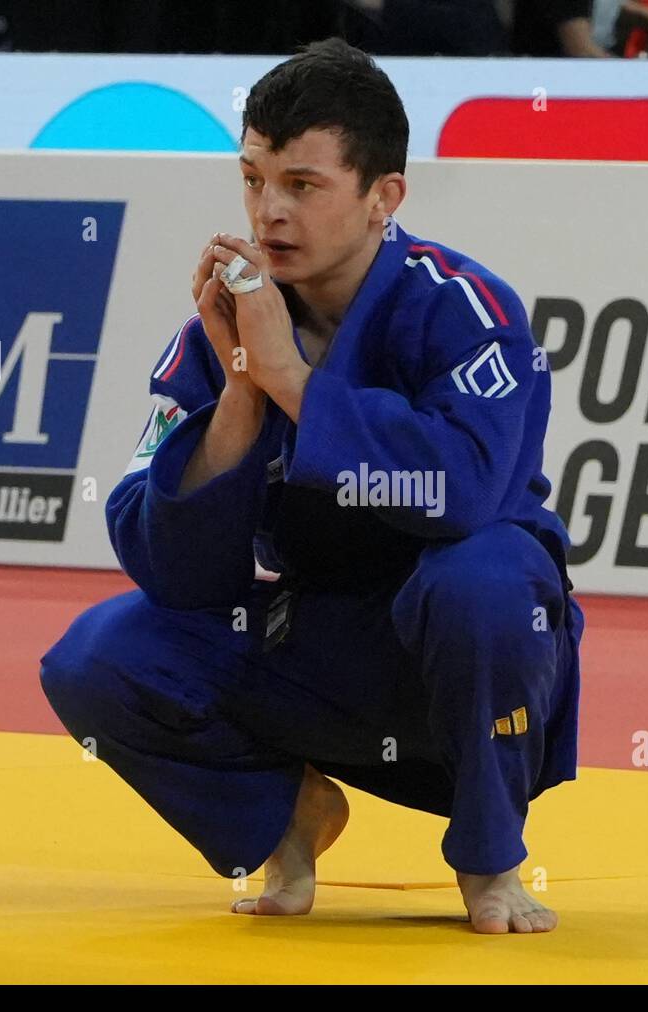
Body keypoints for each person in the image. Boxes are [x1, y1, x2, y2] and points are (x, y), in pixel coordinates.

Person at [39, 38, 584, 935]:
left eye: (302, 185)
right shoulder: (223, 328)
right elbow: (167, 568)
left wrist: (295, 380)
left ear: (384, 198)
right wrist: (244, 393)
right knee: (96, 659)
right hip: (309, 652)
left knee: (486, 580)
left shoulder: (467, 311)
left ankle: (491, 859)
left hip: (457, 676)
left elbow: (465, 494)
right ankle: (287, 812)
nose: (268, 212)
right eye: (253, 180)